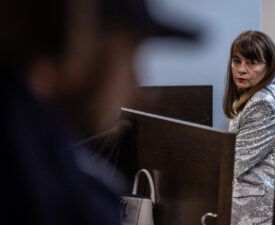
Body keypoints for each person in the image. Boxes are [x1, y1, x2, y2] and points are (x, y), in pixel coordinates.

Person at [0, 0, 198, 224]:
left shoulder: (31, 142)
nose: (139, 87)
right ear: (78, 38)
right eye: (129, 56)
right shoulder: (64, 199)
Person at [223, 30, 275, 225]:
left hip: (267, 203)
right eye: (237, 61)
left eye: (252, 63)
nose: (241, 69)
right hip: (257, 189)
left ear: (269, 67)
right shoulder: (253, 94)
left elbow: (234, 163)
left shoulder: (266, 103)